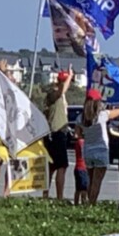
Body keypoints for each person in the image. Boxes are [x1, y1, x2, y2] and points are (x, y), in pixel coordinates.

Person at [81, 89, 119, 205]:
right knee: (97, 181)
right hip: (101, 150)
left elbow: (78, 134)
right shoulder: (102, 115)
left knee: (90, 180)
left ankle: (87, 200)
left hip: (87, 150)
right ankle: (92, 203)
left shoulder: (81, 118)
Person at [43, 67, 74, 200]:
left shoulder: (60, 96)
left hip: (58, 133)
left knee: (53, 166)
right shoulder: (54, 94)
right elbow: (61, 91)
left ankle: (48, 194)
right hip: (55, 133)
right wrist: (70, 76)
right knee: (60, 166)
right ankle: (58, 196)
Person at [72, 124, 89, 206]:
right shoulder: (81, 142)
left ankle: (76, 203)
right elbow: (84, 153)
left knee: (78, 188)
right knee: (83, 189)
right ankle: (83, 203)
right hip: (82, 168)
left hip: (78, 168)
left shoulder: (79, 142)